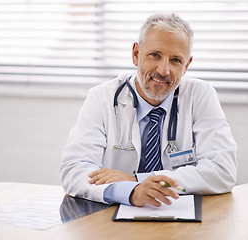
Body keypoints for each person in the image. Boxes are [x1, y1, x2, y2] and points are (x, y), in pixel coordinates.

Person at [60, 13, 237, 207]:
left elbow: (222, 171)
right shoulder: (101, 98)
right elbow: (74, 170)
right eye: (155, 55)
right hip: (112, 220)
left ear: (186, 65)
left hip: (179, 218)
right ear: (136, 54)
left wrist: (138, 181)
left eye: (176, 60)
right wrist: (130, 192)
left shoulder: (201, 96)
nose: (163, 70)